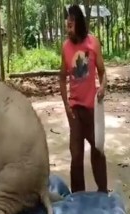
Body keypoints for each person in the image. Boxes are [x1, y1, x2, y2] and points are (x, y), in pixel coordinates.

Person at [59, 4, 108, 193]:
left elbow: (103, 73)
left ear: (79, 24)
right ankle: (77, 196)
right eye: (67, 24)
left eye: (70, 24)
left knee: (97, 150)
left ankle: (103, 191)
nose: (67, 28)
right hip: (75, 110)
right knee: (76, 155)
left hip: (92, 109)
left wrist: (103, 87)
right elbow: (62, 78)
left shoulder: (93, 43)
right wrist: (66, 105)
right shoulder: (65, 47)